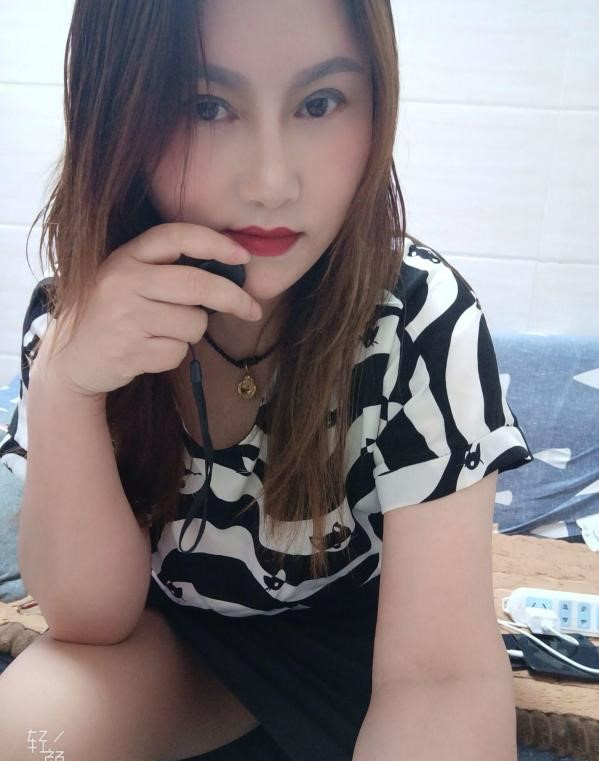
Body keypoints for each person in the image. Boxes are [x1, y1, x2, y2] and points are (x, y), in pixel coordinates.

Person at [0, 1, 533, 760]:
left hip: (378, 646)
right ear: (117, 109)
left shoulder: (419, 319)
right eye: (206, 106)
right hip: (177, 645)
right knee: (31, 736)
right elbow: (91, 619)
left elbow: (440, 677)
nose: (272, 183)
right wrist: (66, 386)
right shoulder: (80, 319)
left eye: (320, 102)